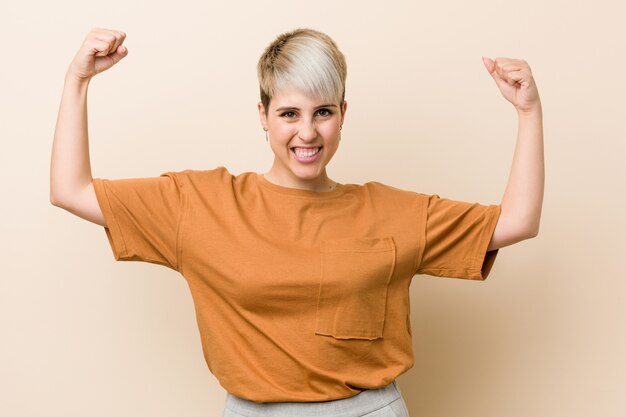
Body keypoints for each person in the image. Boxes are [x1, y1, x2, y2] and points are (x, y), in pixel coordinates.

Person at [50, 27, 544, 417]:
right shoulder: (198, 203)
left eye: (323, 112)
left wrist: (528, 111)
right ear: (263, 115)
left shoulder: (392, 211)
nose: (307, 132)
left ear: (343, 114)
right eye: (289, 112)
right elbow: (70, 190)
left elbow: (518, 221)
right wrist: (77, 80)